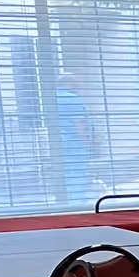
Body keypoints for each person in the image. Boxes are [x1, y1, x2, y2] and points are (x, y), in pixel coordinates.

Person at [54, 74, 96, 207]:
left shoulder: (52, 98)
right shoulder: (72, 99)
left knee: (66, 174)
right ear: (70, 83)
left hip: (59, 142)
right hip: (74, 142)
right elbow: (79, 123)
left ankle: (68, 204)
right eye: (77, 83)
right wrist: (86, 142)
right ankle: (78, 204)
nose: (79, 86)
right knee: (78, 173)